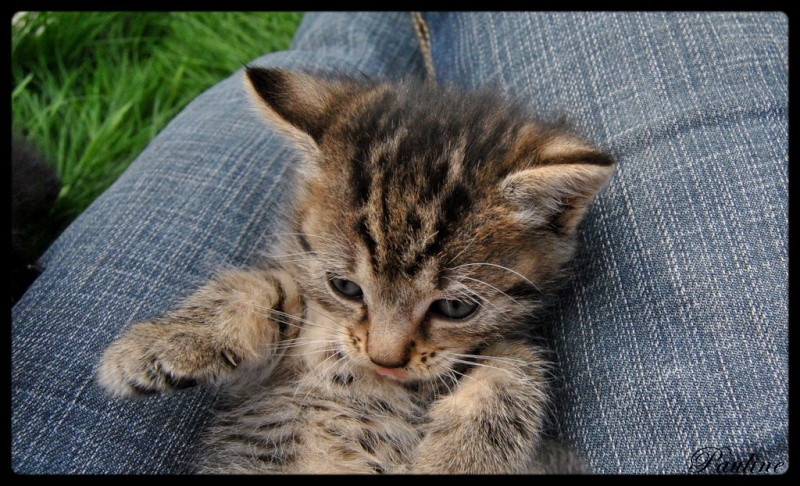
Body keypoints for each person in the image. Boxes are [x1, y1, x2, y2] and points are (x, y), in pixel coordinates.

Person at [11, 12, 788, 474]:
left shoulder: (528, 238)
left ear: (560, 212)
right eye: (348, 288)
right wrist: (229, 313)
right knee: (341, 62)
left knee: (343, 50)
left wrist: (497, 397)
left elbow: (504, 358)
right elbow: (283, 291)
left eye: (451, 304)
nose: (383, 348)